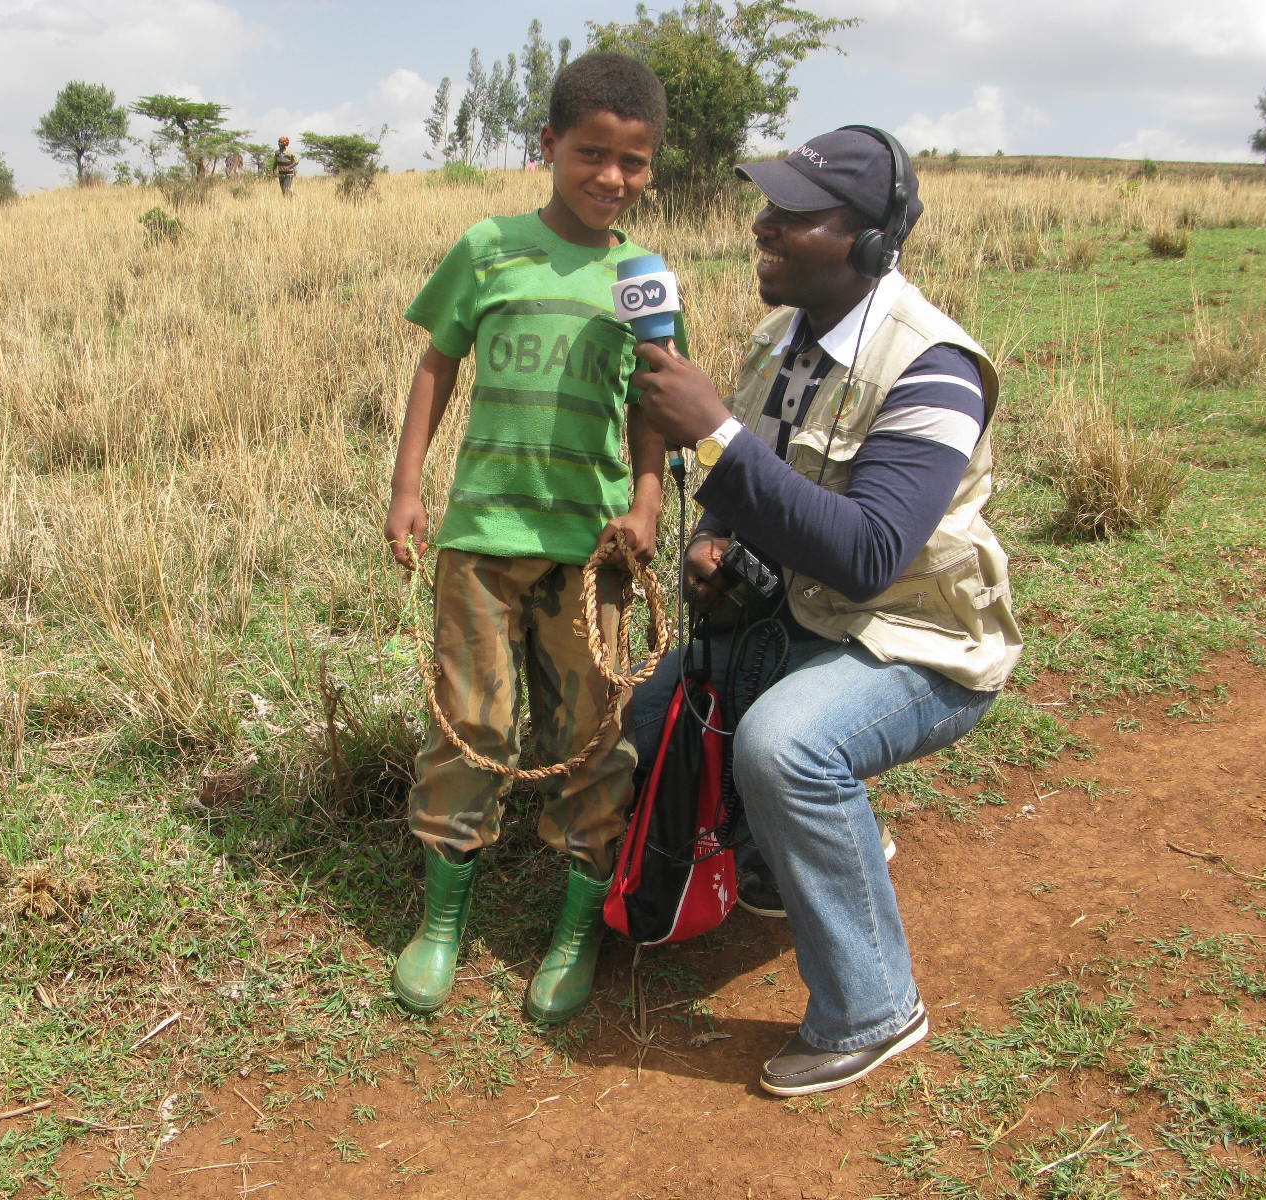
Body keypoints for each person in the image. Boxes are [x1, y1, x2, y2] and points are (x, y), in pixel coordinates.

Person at [628, 126, 1022, 1096]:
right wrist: (710, 545)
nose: (763, 224)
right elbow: (743, 487)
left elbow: (866, 554)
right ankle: (771, 863)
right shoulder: (781, 337)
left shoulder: (934, 366)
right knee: (653, 713)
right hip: (810, 621)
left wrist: (713, 430)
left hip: (920, 643)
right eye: (766, 204)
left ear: (870, 241)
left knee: (786, 747)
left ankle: (872, 1005)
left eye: (794, 214)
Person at [382, 52, 669, 1024]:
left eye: (633, 162)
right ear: (548, 147)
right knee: (474, 724)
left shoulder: (640, 276)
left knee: (591, 734)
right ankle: (442, 924)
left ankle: (575, 928)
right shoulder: (488, 247)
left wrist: (647, 503)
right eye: (591, 153)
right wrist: (409, 486)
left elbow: (654, 399)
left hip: (593, 554)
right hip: (481, 539)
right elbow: (437, 365)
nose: (611, 178)